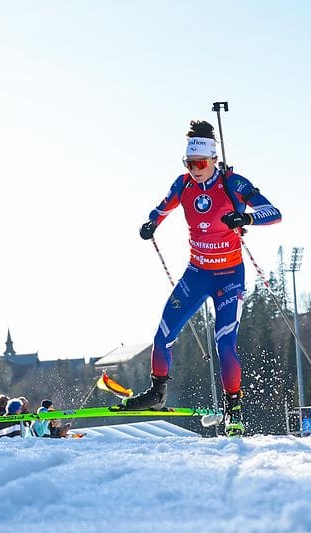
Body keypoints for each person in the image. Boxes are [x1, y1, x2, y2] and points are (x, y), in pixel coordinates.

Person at [125, 119, 282, 438]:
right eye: (189, 163)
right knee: (163, 334)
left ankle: (234, 409)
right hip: (197, 273)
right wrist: (150, 224)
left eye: (200, 163)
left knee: (225, 343)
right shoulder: (183, 185)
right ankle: (157, 392)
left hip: (229, 277)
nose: (195, 169)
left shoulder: (233, 184)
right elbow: (161, 209)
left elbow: (274, 213)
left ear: (213, 159)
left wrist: (245, 217)